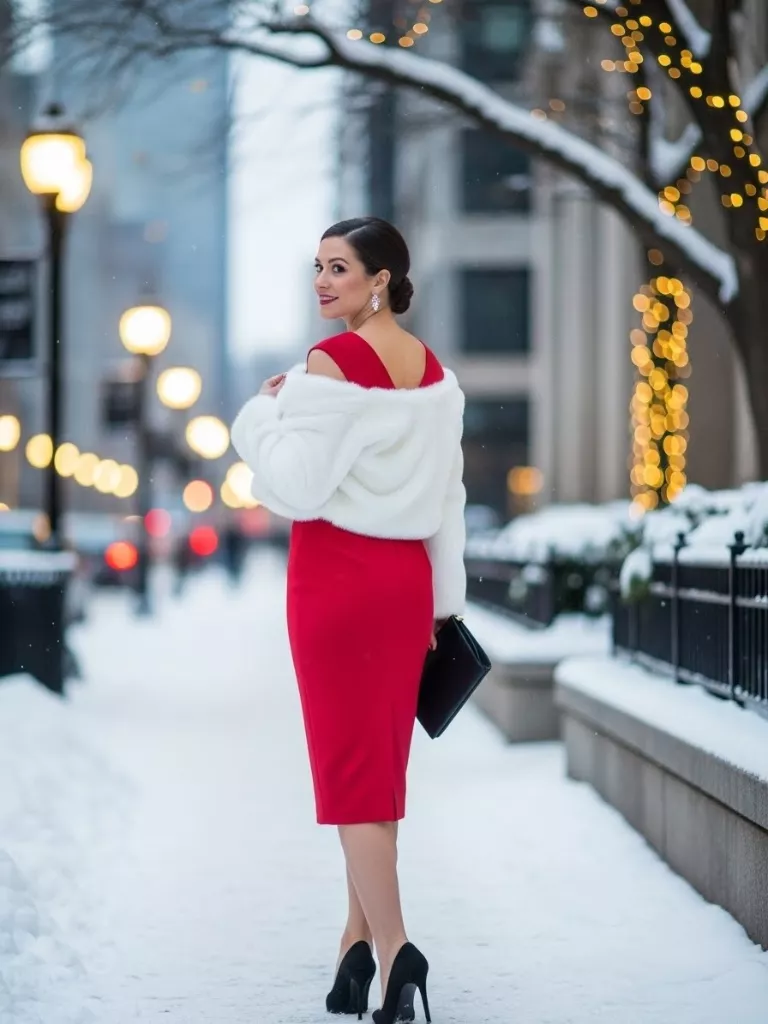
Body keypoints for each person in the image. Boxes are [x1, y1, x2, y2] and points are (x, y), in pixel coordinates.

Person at [231, 216, 466, 1024]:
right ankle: (352, 952)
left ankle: (398, 949)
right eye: (318, 267)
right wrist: (441, 604)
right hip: (403, 589)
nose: (323, 281)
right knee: (377, 776)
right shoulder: (436, 375)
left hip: (337, 580)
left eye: (340, 268)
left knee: (352, 779)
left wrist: (262, 419)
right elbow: (448, 506)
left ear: (380, 280)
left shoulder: (330, 364)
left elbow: (294, 486)